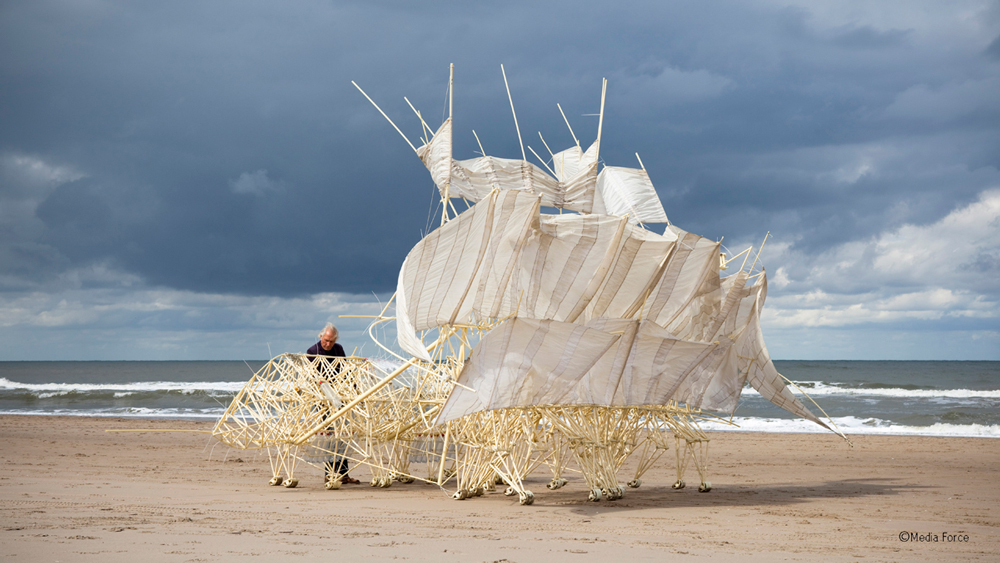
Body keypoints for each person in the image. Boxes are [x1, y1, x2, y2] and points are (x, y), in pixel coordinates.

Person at [306, 323, 360, 485]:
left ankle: (343, 474)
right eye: (326, 340)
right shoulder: (312, 352)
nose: (328, 344)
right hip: (324, 399)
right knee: (330, 436)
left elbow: (345, 371)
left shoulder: (338, 349)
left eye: (331, 341)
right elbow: (313, 377)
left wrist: (354, 390)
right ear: (321, 336)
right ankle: (329, 474)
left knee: (342, 436)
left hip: (340, 397)